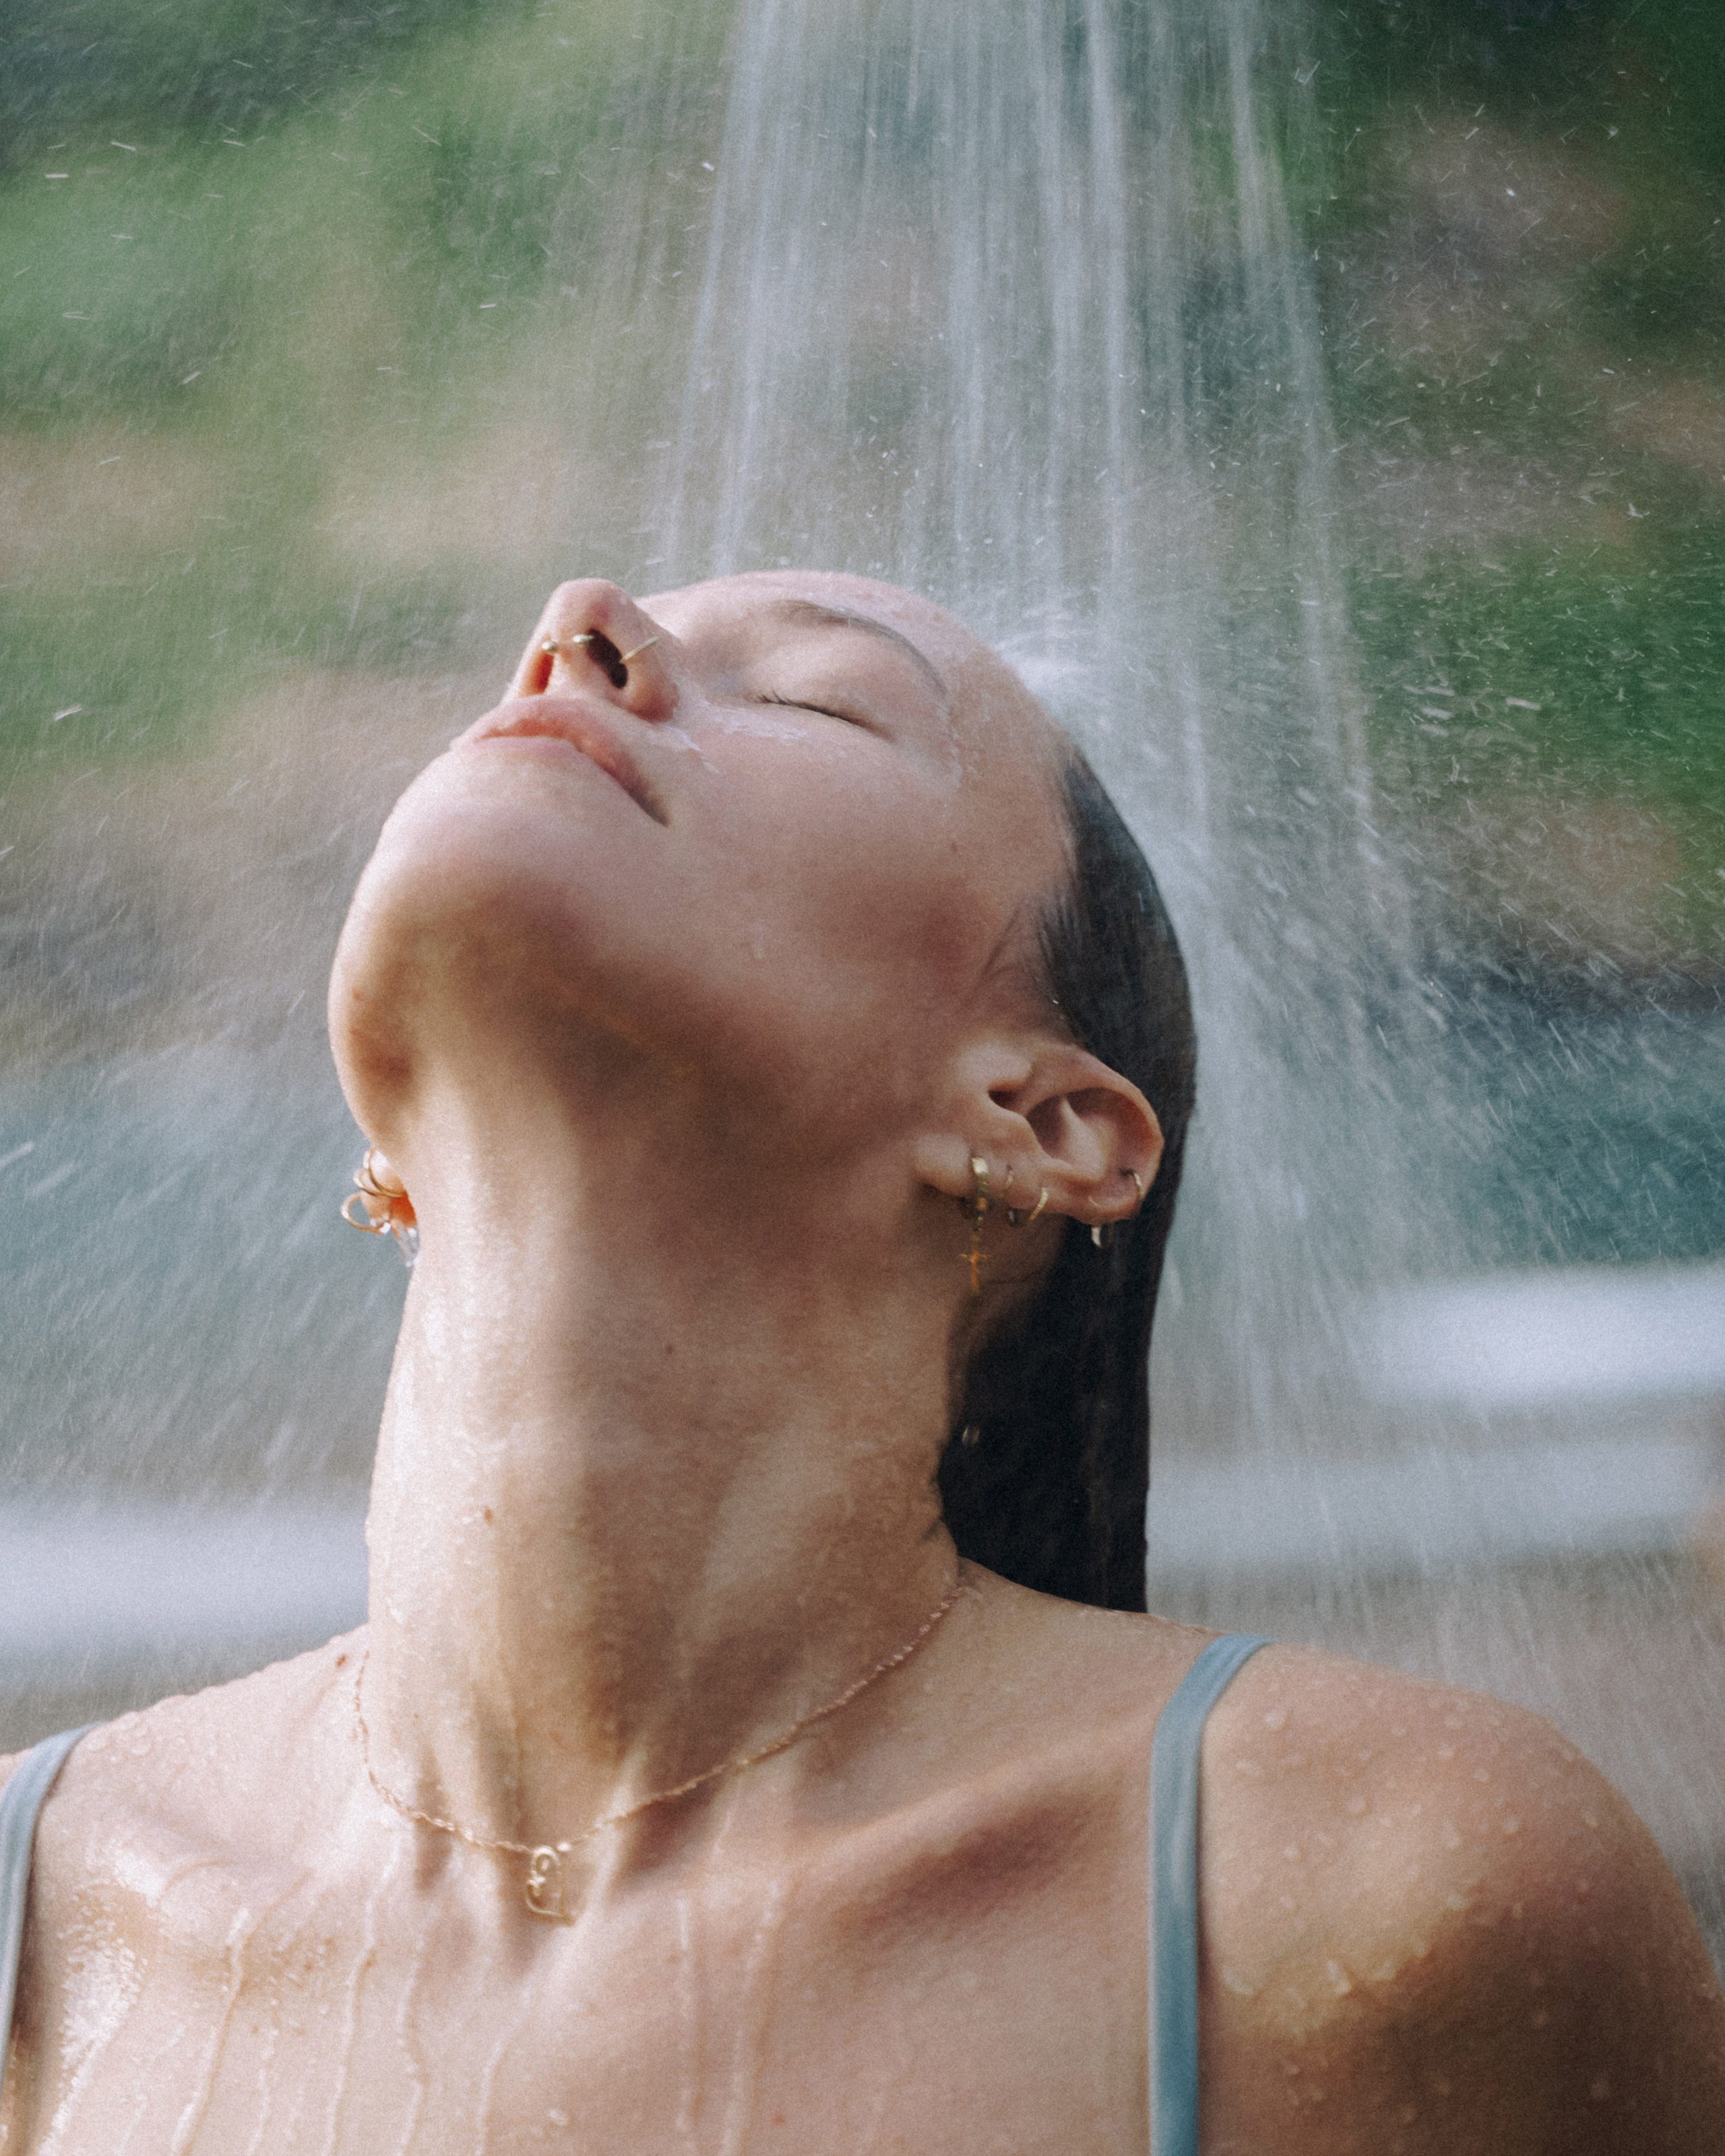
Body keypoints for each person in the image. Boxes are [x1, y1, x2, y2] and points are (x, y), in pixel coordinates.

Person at [1, 572, 1721, 2154]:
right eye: (550, 646)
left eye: (815, 698)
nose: (578, 621)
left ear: (1039, 1121)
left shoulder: (1372, 1896)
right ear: (382, 1147)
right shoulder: (35, 1933)